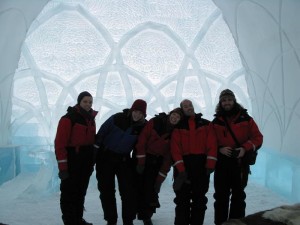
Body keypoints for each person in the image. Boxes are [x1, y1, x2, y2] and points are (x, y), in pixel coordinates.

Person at [212, 89, 263, 225]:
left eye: (229, 99)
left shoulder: (246, 119)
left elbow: (258, 138)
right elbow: (209, 142)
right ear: (220, 103)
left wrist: (244, 149)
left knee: (238, 198)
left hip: (240, 164)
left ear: (234, 101)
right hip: (222, 164)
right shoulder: (216, 121)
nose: (227, 102)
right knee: (221, 198)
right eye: (224, 100)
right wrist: (219, 149)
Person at [94, 99, 147, 225]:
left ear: (144, 115)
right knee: (106, 191)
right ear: (131, 110)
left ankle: (128, 221)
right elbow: (101, 134)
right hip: (105, 158)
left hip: (123, 160)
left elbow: (143, 144)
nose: (137, 115)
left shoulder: (143, 127)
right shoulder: (117, 118)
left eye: (140, 113)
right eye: (135, 111)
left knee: (128, 192)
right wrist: (94, 156)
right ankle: (111, 220)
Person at [170, 99, 217, 225]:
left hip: (201, 167)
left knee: (199, 201)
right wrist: (181, 170)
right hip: (183, 168)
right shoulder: (178, 127)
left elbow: (212, 144)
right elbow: (175, 149)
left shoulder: (206, 124)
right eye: (185, 106)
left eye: (190, 105)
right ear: (182, 109)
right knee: (181, 201)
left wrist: (210, 164)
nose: (189, 107)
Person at [54, 91, 98, 225]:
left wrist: (91, 162)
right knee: (68, 193)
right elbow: (60, 144)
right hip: (72, 160)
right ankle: (69, 220)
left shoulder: (91, 119)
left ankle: (78, 219)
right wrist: (63, 168)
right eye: (85, 101)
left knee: (80, 192)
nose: (88, 104)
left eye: (90, 102)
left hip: (85, 162)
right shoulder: (68, 119)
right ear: (79, 102)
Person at [135, 107, 183, 225]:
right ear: (170, 114)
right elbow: (142, 139)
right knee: (143, 188)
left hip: (158, 162)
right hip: (146, 158)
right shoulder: (156, 121)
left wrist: (161, 176)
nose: (174, 118)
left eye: (178, 117)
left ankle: (147, 214)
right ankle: (144, 215)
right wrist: (141, 160)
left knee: (154, 188)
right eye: (174, 115)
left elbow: (168, 157)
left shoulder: (175, 133)